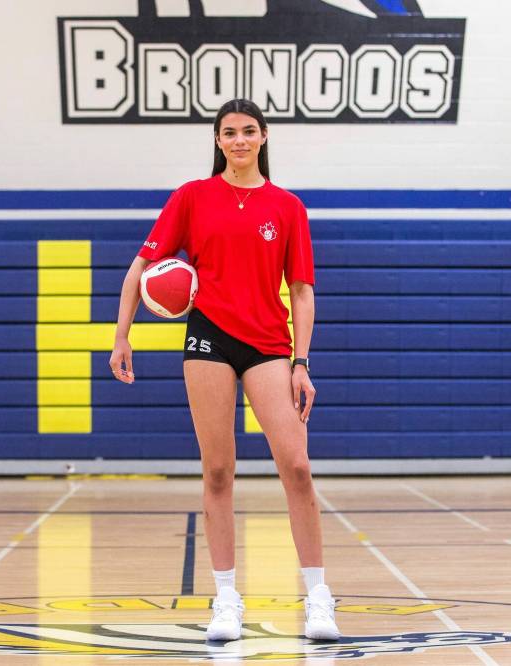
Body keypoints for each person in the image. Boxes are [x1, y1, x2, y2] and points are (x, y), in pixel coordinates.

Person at [109, 98, 339, 642]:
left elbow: (302, 292)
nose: (239, 140)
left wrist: (301, 362)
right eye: (229, 132)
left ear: (263, 138)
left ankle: (318, 597)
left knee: (297, 466)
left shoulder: (288, 207)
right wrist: (122, 334)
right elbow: (141, 266)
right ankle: (226, 598)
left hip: (268, 345)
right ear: (218, 140)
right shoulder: (192, 197)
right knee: (217, 471)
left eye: (248, 131)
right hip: (208, 338)